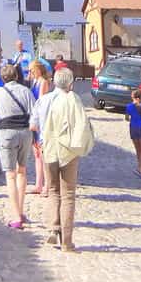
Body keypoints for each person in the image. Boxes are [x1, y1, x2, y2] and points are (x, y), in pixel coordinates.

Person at [40, 67, 95, 252]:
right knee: (68, 194)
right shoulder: (73, 100)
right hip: (68, 151)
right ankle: (67, 242)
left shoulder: (45, 99)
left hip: (48, 149)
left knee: (53, 190)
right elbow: (81, 126)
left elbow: (35, 123)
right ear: (70, 83)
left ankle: (53, 228)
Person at [0, 64, 35, 229]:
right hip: (25, 132)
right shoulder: (26, 91)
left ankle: (15, 217)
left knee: (10, 175)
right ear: (16, 76)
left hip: (6, 133)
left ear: (2, 78)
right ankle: (20, 211)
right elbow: (35, 114)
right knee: (22, 172)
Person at [28, 60, 52, 196]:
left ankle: (47, 185)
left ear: (38, 69)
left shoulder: (43, 82)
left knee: (43, 154)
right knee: (36, 153)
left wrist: (37, 122)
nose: (30, 73)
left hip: (40, 121)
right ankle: (38, 183)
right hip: (34, 118)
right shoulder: (35, 82)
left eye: (32, 70)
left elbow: (42, 104)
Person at [125, 88, 141, 179]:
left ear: (132, 97)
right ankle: (140, 167)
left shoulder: (128, 106)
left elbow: (127, 118)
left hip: (132, 127)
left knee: (137, 149)